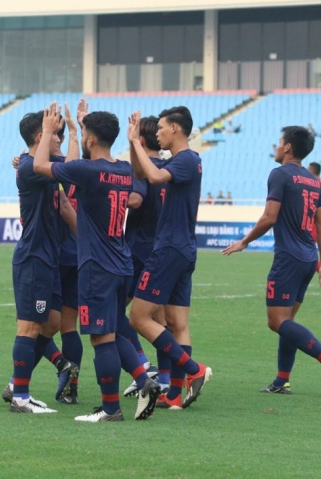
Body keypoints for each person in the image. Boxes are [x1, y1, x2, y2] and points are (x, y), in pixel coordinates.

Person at [35, 103, 161, 422]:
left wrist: (48, 131)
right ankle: (143, 379)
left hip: (96, 266)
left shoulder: (86, 171)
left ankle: (110, 409)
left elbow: (39, 166)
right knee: (115, 331)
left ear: (91, 140)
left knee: (101, 338)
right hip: (121, 261)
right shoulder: (123, 170)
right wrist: (82, 128)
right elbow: (109, 169)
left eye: (84, 135)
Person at [222, 126, 321, 397]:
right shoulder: (314, 181)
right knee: (288, 321)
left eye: (279, 141)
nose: (277, 146)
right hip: (308, 258)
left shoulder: (279, 174)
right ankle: (281, 381)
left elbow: (269, 217)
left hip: (288, 258)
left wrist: (245, 241)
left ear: (288, 147)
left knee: (277, 321)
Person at [128, 107, 212, 411]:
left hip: (169, 249)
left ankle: (194, 370)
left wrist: (136, 142)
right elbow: (141, 172)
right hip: (184, 248)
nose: (158, 133)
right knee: (177, 323)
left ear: (175, 128)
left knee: (138, 317)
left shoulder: (185, 159)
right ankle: (175, 394)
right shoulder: (182, 161)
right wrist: (133, 143)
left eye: (161, 128)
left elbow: (152, 177)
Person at [2, 109, 79, 415]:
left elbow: (72, 169)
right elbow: (62, 166)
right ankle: (20, 395)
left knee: (51, 323)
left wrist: (71, 131)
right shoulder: (30, 167)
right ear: (41, 136)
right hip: (34, 256)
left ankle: (19, 385)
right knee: (29, 327)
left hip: (48, 257)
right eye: (55, 134)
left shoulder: (40, 165)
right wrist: (51, 131)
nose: (59, 138)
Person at [122, 115, 170, 398]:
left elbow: (135, 198)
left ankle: (142, 365)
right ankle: (165, 378)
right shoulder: (170, 169)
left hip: (138, 251)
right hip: (162, 250)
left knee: (114, 312)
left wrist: (108, 194)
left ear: (139, 140)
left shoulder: (140, 169)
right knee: (160, 318)